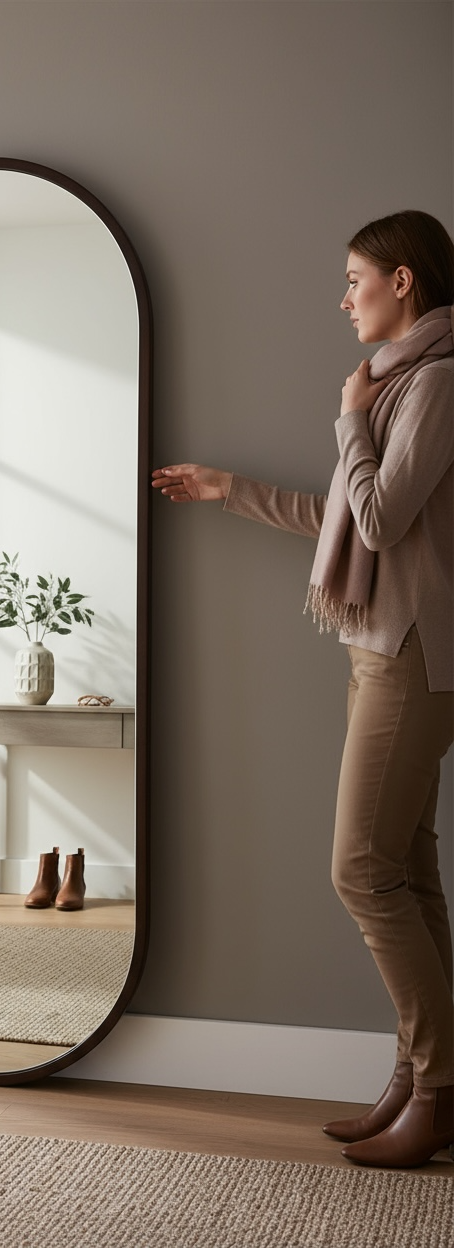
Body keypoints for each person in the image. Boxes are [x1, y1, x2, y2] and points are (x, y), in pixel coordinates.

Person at [152, 210, 454, 1169]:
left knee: (360, 870)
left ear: (403, 281)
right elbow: (351, 518)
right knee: (407, 870)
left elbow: (380, 514)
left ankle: (441, 1088)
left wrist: (351, 418)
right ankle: (417, 1077)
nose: (344, 298)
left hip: (413, 655)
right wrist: (227, 488)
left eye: (356, 279)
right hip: (383, 648)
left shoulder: (436, 381)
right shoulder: (405, 381)